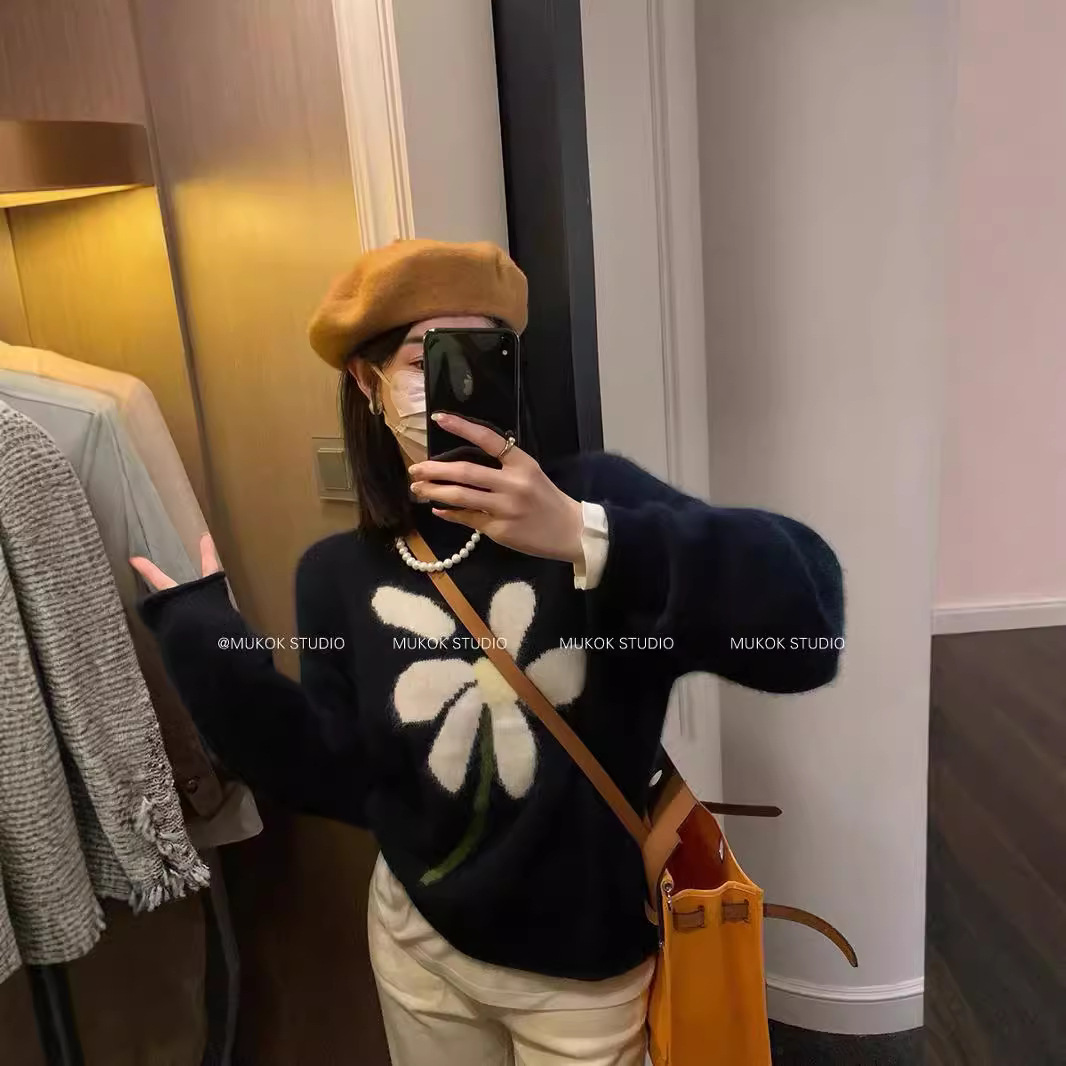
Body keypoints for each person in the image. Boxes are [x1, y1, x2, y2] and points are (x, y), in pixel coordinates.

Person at [131, 238, 844, 1066]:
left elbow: (806, 632)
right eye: (424, 358)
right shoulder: (336, 574)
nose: (458, 385)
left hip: (581, 978)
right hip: (419, 949)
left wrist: (586, 536)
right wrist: (212, 655)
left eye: (485, 353)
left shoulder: (598, 500)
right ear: (366, 382)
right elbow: (345, 778)